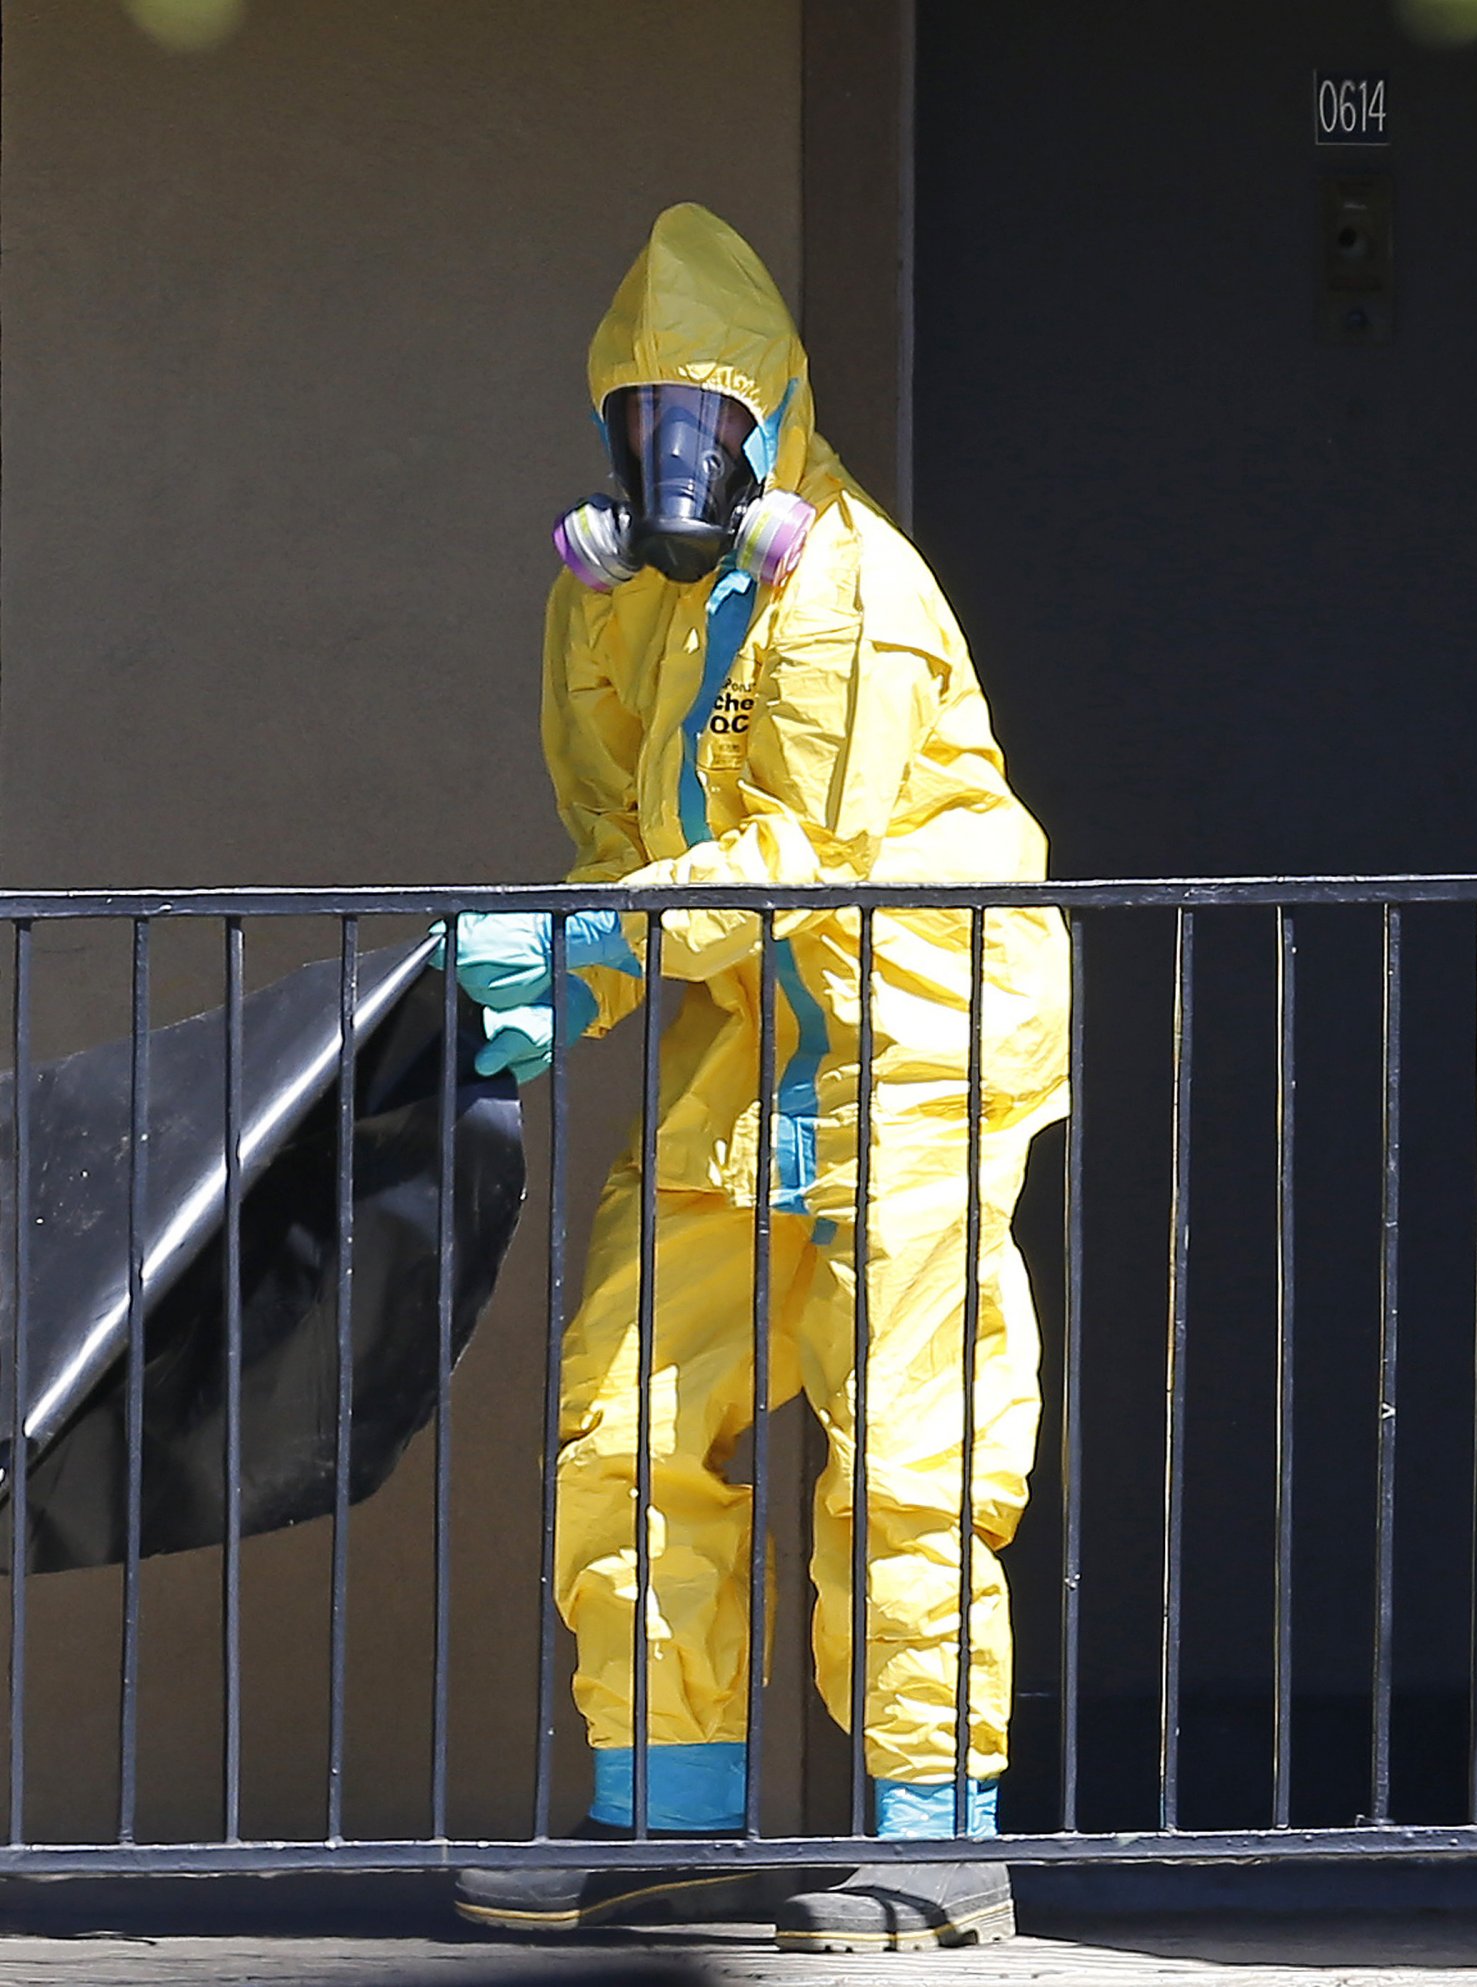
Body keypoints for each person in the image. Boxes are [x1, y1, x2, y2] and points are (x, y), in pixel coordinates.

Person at [449, 203, 1067, 1952]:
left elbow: (804, 852)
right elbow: (624, 823)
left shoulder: (848, 583)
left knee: (912, 1448)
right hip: (762, 1042)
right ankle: (663, 1820)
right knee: (630, 1418)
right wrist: (591, 625)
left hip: (916, 1041)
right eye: (644, 423)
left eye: (705, 422)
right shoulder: (673, 602)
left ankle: (937, 1842)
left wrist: (587, 957)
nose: (674, 456)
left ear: (770, 422)